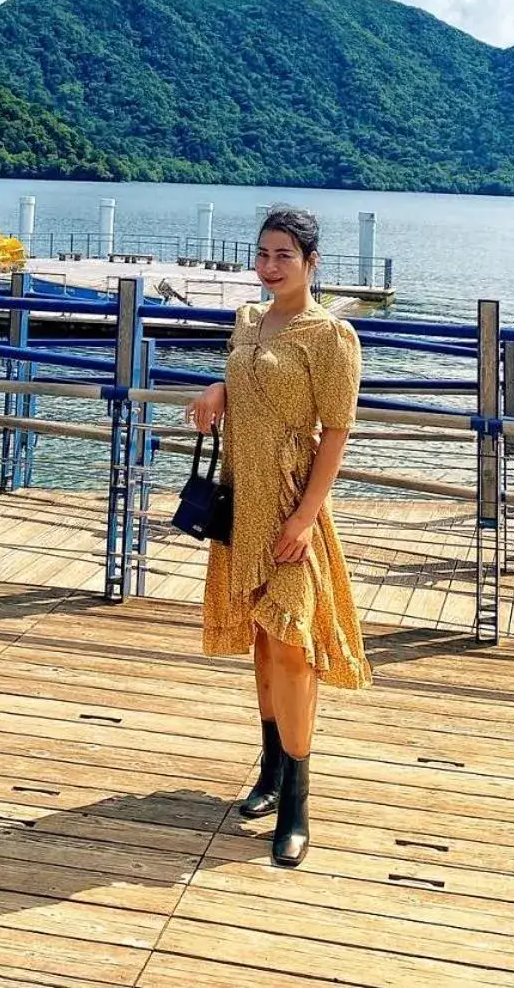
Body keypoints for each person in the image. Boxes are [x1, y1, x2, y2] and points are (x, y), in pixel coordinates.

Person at [187, 206, 371, 867]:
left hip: (291, 505)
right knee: (263, 641)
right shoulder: (247, 321)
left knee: (293, 645)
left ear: (311, 262)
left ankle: (297, 799)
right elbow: (250, 379)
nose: (270, 266)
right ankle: (268, 770)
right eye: (263, 254)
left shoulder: (331, 337)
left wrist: (303, 517)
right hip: (243, 499)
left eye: (284, 255)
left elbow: (338, 432)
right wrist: (216, 390)